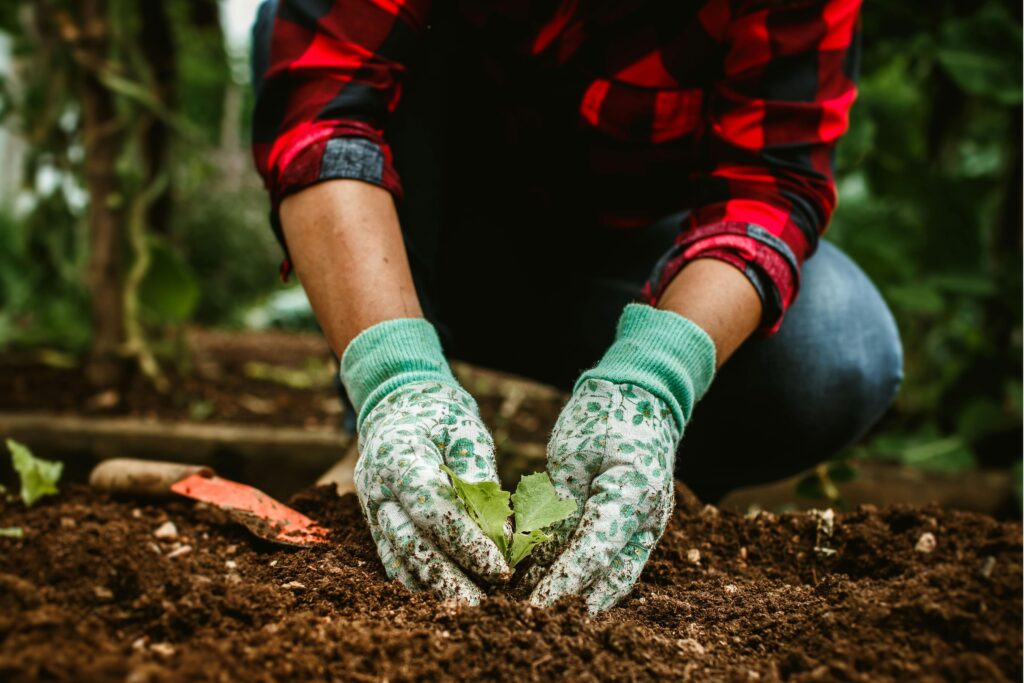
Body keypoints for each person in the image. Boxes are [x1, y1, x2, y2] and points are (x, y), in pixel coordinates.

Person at [250, 0, 902, 612]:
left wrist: (654, 378)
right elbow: (322, 108)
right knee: (292, 24)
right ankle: (381, 431)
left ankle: (634, 484)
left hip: (626, 268)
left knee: (834, 347)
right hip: (426, 247)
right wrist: (394, 380)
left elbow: (770, 184)